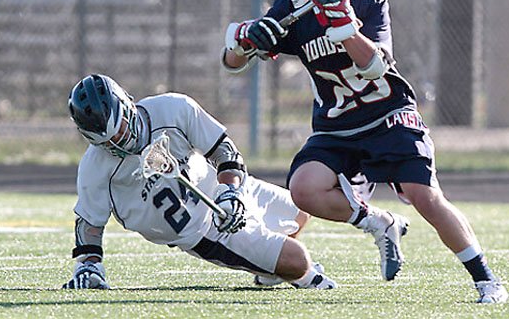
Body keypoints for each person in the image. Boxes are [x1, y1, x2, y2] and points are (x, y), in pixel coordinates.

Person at [220, 0, 508, 303]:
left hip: (388, 115)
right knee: (303, 189)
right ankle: (377, 224)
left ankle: (487, 280)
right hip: (337, 126)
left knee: (424, 196)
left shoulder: (368, 1)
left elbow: (375, 65)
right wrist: (246, 40)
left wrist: (342, 21)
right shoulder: (291, 7)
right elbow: (232, 63)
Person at [62, 74, 336, 290]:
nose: (121, 141)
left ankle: (268, 271)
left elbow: (224, 150)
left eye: (120, 129)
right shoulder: (95, 168)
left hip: (222, 191)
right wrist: (88, 265)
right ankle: (292, 273)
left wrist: (231, 192)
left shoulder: (172, 108)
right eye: (108, 141)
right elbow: (89, 223)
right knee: (298, 262)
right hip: (203, 231)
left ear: (127, 102)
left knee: (301, 209)